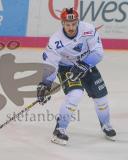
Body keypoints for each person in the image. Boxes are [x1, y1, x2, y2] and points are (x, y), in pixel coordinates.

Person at [37, 8, 116, 145]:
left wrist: (84, 64)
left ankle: (106, 124)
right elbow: (51, 63)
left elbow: (98, 52)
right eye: (67, 24)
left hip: (87, 64)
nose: (71, 27)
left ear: (77, 22)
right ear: (62, 23)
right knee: (76, 94)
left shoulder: (88, 29)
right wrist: (46, 83)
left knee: (101, 98)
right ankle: (60, 129)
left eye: (73, 23)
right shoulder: (55, 41)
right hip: (66, 68)